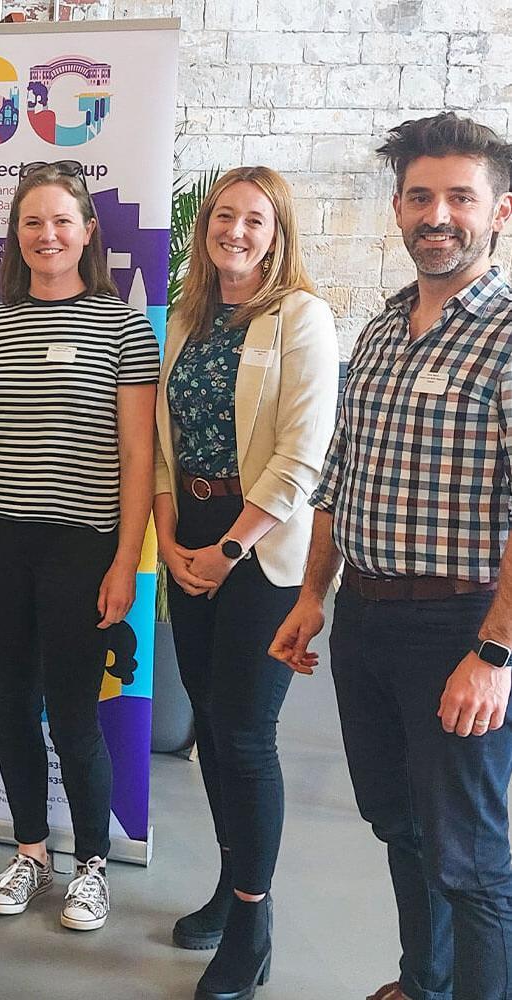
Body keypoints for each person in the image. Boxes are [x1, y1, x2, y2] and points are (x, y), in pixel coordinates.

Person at [271, 113, 512, 1000]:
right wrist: (313, 597)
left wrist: (495, 653)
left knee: (470, 857)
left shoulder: (507, 336)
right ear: (399, 208)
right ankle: (424, 982)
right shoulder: (379, 330)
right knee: (397, 822)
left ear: (500, 212)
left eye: (459, 197)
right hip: (365, 620)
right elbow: (341, 478)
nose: (436, 215)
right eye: (419, 196)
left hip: (461, 626)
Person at [0, 161, 158, 932]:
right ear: (17, 234)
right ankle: (31, 854)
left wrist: (126, 561)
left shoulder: (124, 327)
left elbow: (138, 455)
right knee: (13, 703)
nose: (47, 234)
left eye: (62, 220)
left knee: (72, 713)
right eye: (32, 221)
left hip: (83, 548)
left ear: (88, 231)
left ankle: (92, 865)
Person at [153, 166, 338, 998]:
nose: (234, 230)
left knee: (247, 732)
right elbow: (164, 446)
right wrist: (168, 537)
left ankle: (253, 927)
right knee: (211, 729)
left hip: (259, 550)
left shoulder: (301, 317)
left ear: (277, 234)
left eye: (254, 219)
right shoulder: (186, 319)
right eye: (223, 215)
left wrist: (227, 548)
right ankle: (233, 889)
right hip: (189, 534)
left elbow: (302, 457)